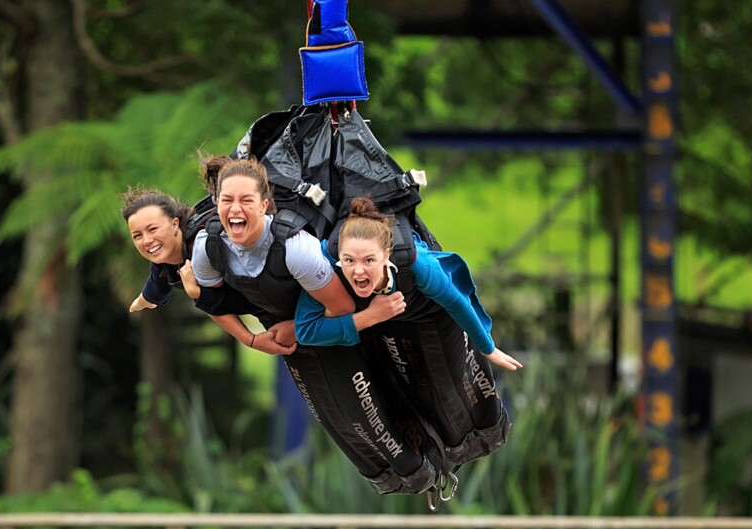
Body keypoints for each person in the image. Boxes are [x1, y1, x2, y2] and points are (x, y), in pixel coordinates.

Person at [189, 157, 444, 496]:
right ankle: (404, 480)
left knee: (363, 408)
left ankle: (429, 469)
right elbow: (213, 303)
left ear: (265, 205)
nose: (235, 209)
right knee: (335, 419)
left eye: (246, 200)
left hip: (328, 320)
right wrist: (251, 339)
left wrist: (296, 327)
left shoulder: (296, 249)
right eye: (227, 200)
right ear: (216, 204)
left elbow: (341, 306)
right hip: (284, 337)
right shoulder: (208, 246)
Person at [295, 196, 521, 465]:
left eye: (369, 260)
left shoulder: (416, 264)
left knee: (442, 388)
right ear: (338, 259)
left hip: (424, 312)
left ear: (386, 255)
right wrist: (369, 316)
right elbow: (306, 331)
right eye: (349, 261)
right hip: (375, 320)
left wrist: (487, 347)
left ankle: (476, 438)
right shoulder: (325, 268)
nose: (358, 271)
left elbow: (456, 300)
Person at [121, 186, 294, 356]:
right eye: (137, 235)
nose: (147, 241)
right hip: (280, 312)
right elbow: (156, 285)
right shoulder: (166, 261)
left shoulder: (202, 247)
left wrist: (196, 292)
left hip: (298, 302)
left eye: (153, 229)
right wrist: (143, 300)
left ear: (175, 224)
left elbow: (215, 303)